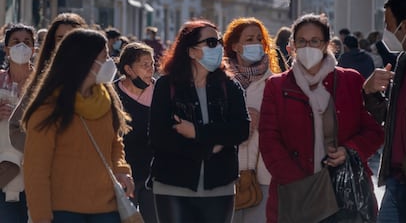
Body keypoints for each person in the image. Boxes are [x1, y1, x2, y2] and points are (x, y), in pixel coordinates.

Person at [259, 14, 384, 223]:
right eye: (302, 41)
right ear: (293, 46)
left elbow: (373, 132)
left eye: (315, 41)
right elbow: (269, 140)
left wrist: (349, 150)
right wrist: (300, 183)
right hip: (296, 194)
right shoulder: (277, 86)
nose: (308, 47)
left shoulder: (349, 80)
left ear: (327, 44)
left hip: (344, 196)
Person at [22, 29, 134, 223]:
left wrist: (122, 170)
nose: (110, 61)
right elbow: (36, 169)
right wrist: (41, 217)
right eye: (104, 56)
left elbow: (115, 143)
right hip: (63, 211)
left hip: (106, 208)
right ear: (85, 61)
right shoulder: (48, 108)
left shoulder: (105, 100)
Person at [148, 20, 250, 223]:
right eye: (211, 42)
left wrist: (197, 133)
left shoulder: (230, 86)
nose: (219, 47)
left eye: (219, 41)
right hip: (173, 184)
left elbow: (240, 130)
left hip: (219, 185)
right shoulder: (166, 85)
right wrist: (207, 148)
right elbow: (159, 138)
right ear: (191, 51)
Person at [222, 17, 282, 223]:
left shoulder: (274, 82)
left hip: (264, 175)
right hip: (225, 175)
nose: (256, 43)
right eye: (249, 39)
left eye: (259, 39)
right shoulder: (219, 82)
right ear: (235, 46)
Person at [363, 0, 406, 222]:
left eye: (388, 24)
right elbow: (389, 117)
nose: (386, 32)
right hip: (396, 179)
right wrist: (370, 92)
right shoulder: (402, 62)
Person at [9, 13, 88, 153]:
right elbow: (16, 128)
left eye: (72, 37)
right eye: (60, 38)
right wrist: (41, 150)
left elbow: (113, 134)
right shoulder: (42, 82)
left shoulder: (96, 81)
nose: (66, 43)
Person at [115, 42, 157, 222]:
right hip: (123, 173)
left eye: (152, 64)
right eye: (144, 65)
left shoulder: (160, 91)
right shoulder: (113, 93)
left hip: (153, 173)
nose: (150, 70)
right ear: (129, 69)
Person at [0, 23, 35, 222]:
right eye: (15, 42)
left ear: (34, 48)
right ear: (6, 48)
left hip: (36, 170)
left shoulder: (43, 82)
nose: (21, 47)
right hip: (4, 170)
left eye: (26, 42)